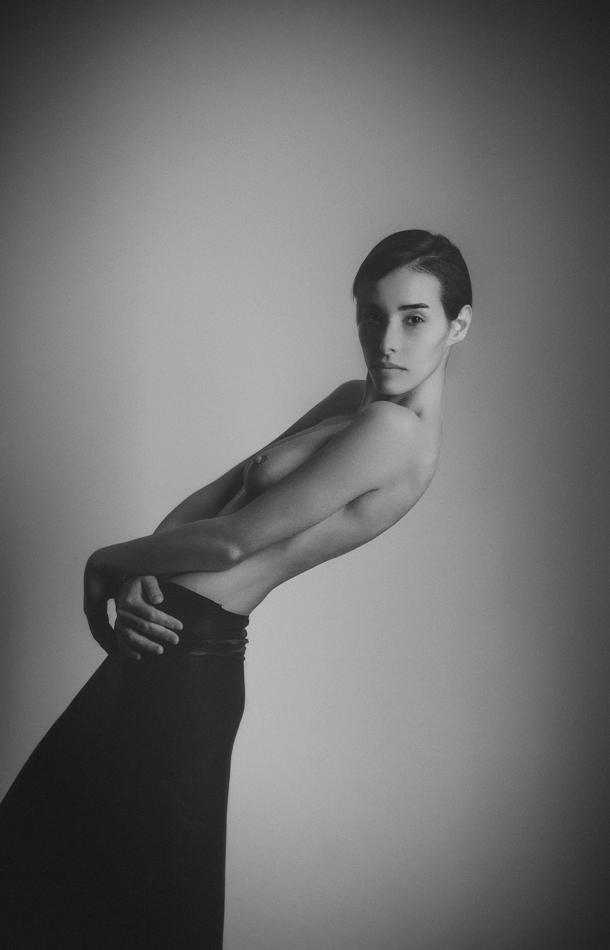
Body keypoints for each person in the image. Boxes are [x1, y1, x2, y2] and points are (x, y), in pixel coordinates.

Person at [0, 229, 472, 949]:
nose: (386, 341)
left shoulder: (395, 434)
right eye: (372, 316)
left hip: (190, 658)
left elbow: (233, 541)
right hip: (166, 637)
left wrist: (107, 562)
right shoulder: (355, 402)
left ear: (457, 325)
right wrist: (144, 572)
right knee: (51, 860)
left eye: (414, 318)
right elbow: (220, 494)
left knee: (125, 897)